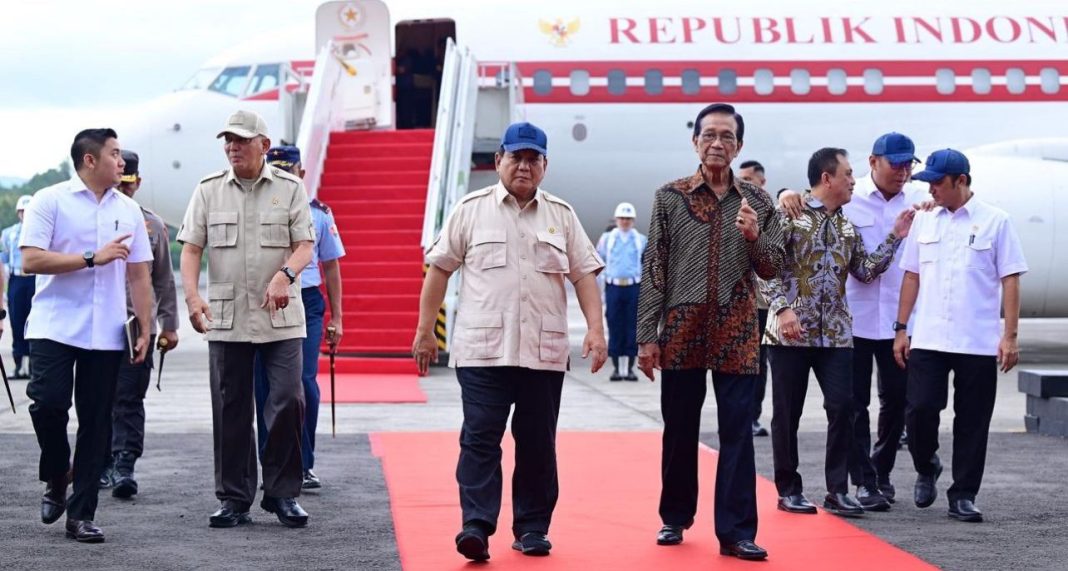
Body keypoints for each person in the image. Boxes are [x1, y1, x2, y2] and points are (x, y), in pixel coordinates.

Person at [412, 121, 607, 561]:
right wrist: (426, 331)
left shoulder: (561, 214)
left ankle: (533, 527)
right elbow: (439, 269)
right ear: (498, 160)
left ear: (545, 165)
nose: (524, 166)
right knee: (480, 439)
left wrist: (596, 330)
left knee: (538, 442)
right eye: (515, 157)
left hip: (544, 351)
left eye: (532, 158)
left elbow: (584, 275)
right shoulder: (471, 209)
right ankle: (476, 526)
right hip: (483, 351)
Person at [637, 103, 782, 562]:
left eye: (727, 136)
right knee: (680, 427)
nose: (717, 143)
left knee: (737, 431)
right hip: (682, 328)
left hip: (738, 330)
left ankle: (737, 531)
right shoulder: (670, 197)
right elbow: (654, 266)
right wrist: (647, 335)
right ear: (695, 141)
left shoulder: (758, 202)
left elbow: (773, 267)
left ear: (739, 146)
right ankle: (675, 516)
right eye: (709, 135)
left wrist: (756, 236)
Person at [177, 110, 315, 529]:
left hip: (281, 315)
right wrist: (192, 295)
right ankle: (234, 498)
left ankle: (282, 493)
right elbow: (190, 248)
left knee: (288, 401)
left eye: (241, 140)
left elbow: (304, 245)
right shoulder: (208, 191)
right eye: (228, 141)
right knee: (231, 407)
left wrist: (285, 275)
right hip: (227, 315)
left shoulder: (291, 189)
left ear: (264, 146)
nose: (232, 147)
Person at [763, 148, 913, 519]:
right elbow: (763, 269)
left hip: (835, 335)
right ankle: (789, 489)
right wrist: (782, 310)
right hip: (790, 334)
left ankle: (837, 490)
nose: (853, 180)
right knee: (788, 413)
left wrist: (895, 236)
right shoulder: (790, 216)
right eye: (847, 174)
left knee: (843, 408)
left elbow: (864, 270)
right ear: (826, 178)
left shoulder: (847, 225)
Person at [20, 128, 154, 543]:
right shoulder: (50, 200)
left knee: (97, 423)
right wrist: (91, 258)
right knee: (47, 404)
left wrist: (147, 327)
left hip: (107, 331)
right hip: (55, 325)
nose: (122, 162)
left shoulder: (129, 211)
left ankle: (81, 515)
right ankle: (58, 472)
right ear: (90, 160)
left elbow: (138, 273)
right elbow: (31, 260)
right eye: (114, 154)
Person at [894, 149, 1027, 523]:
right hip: (930, 337)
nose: (932, 189)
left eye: (938, 183)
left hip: (977, 339)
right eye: (930, 183)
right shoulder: (924, 222)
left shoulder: (996, 221)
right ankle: (927, 463)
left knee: (972, 419)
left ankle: (964, 494)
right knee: (919, 410)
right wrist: (901, 329)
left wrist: (1010, 336)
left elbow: (1011, 278)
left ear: (961, 181)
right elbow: (911, 275)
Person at [253, 145, 345, 490]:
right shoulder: (259, 208)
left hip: (306, 299)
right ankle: (271, 462)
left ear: (301, 172)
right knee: (263, 386)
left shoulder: (318, 213)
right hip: (269, 299)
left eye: (288, 170)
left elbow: (331, 266)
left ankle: (303, 463)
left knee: (302, 384)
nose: (282, 176)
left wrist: (338, 317)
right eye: (275, 169)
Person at [98, 150, 180, 499]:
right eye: (120, 183)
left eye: (129, 184)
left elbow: (163, 280)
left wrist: (169, 325)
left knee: (129, 397)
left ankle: (124, 464)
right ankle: (97, 461)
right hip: (97, 322)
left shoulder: (153, 225)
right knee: (96, 397)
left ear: (137, 183)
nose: (124, 189)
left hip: (135, 326)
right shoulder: (94, 219)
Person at [737, 160, 771, 437]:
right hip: (738, 302)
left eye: (749, 179)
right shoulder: (734, 215)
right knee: (739, 363)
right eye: (741, 179)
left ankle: (753, 417)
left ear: (762, 182)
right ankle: (739, 415)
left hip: (763, 304)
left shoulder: (771, 216)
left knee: (759, 364)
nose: (744, 184)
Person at [596, 201, 646, 381]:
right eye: (622, 218)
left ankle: (630, 369)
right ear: (617, 219)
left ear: (633, 221)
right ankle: (617, 369)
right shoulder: (607, 239)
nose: (625, 221)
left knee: (632, 327)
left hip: (633, 287)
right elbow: (598, 263)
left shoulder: (640, 240)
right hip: (613, 287)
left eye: (628, 219)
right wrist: (598, 291)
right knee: (615, 325)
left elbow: (646, 264)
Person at [1, 194, 35, 379]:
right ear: (18, 213)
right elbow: (3, 261)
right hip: (17, 279)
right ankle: (18, 364)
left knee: (34, 322)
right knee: (17, 320)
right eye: (23, 211)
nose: (25, 215)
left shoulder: (41, 231)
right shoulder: (8, 234)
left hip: (34, 279)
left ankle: (32, 366)